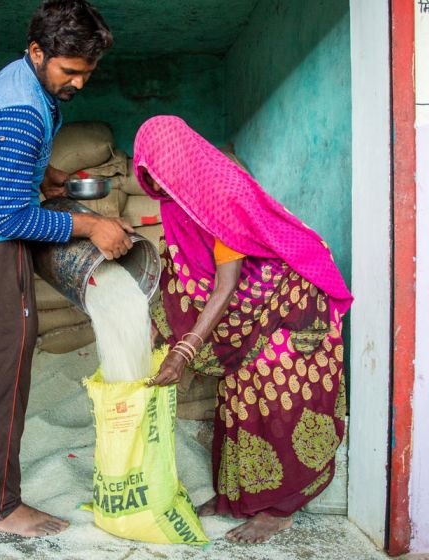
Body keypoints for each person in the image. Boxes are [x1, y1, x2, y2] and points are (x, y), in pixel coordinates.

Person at [0, 0, 133, 538]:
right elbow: (9, 217)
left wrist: (41, 174)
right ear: (37, 52)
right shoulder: (23, 108)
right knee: (7, 370)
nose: (77, 83)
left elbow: (2, 158)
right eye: (69, 71)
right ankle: (1, 507)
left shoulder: (19, 80)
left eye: (86, 74)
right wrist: (92, 227)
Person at [133, 116, 353, 544]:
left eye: (157, 175)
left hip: (291, 302)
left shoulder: (220, 195)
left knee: (275, 391)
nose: (155, 187)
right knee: (235, 395)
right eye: (147, 178)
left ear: (177, 163)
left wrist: (184, 351)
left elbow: (226, 284)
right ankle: (234, 498)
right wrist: (164, 331)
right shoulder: (176, 201)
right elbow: (183, 271)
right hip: (250, 309)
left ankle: (279, 509)